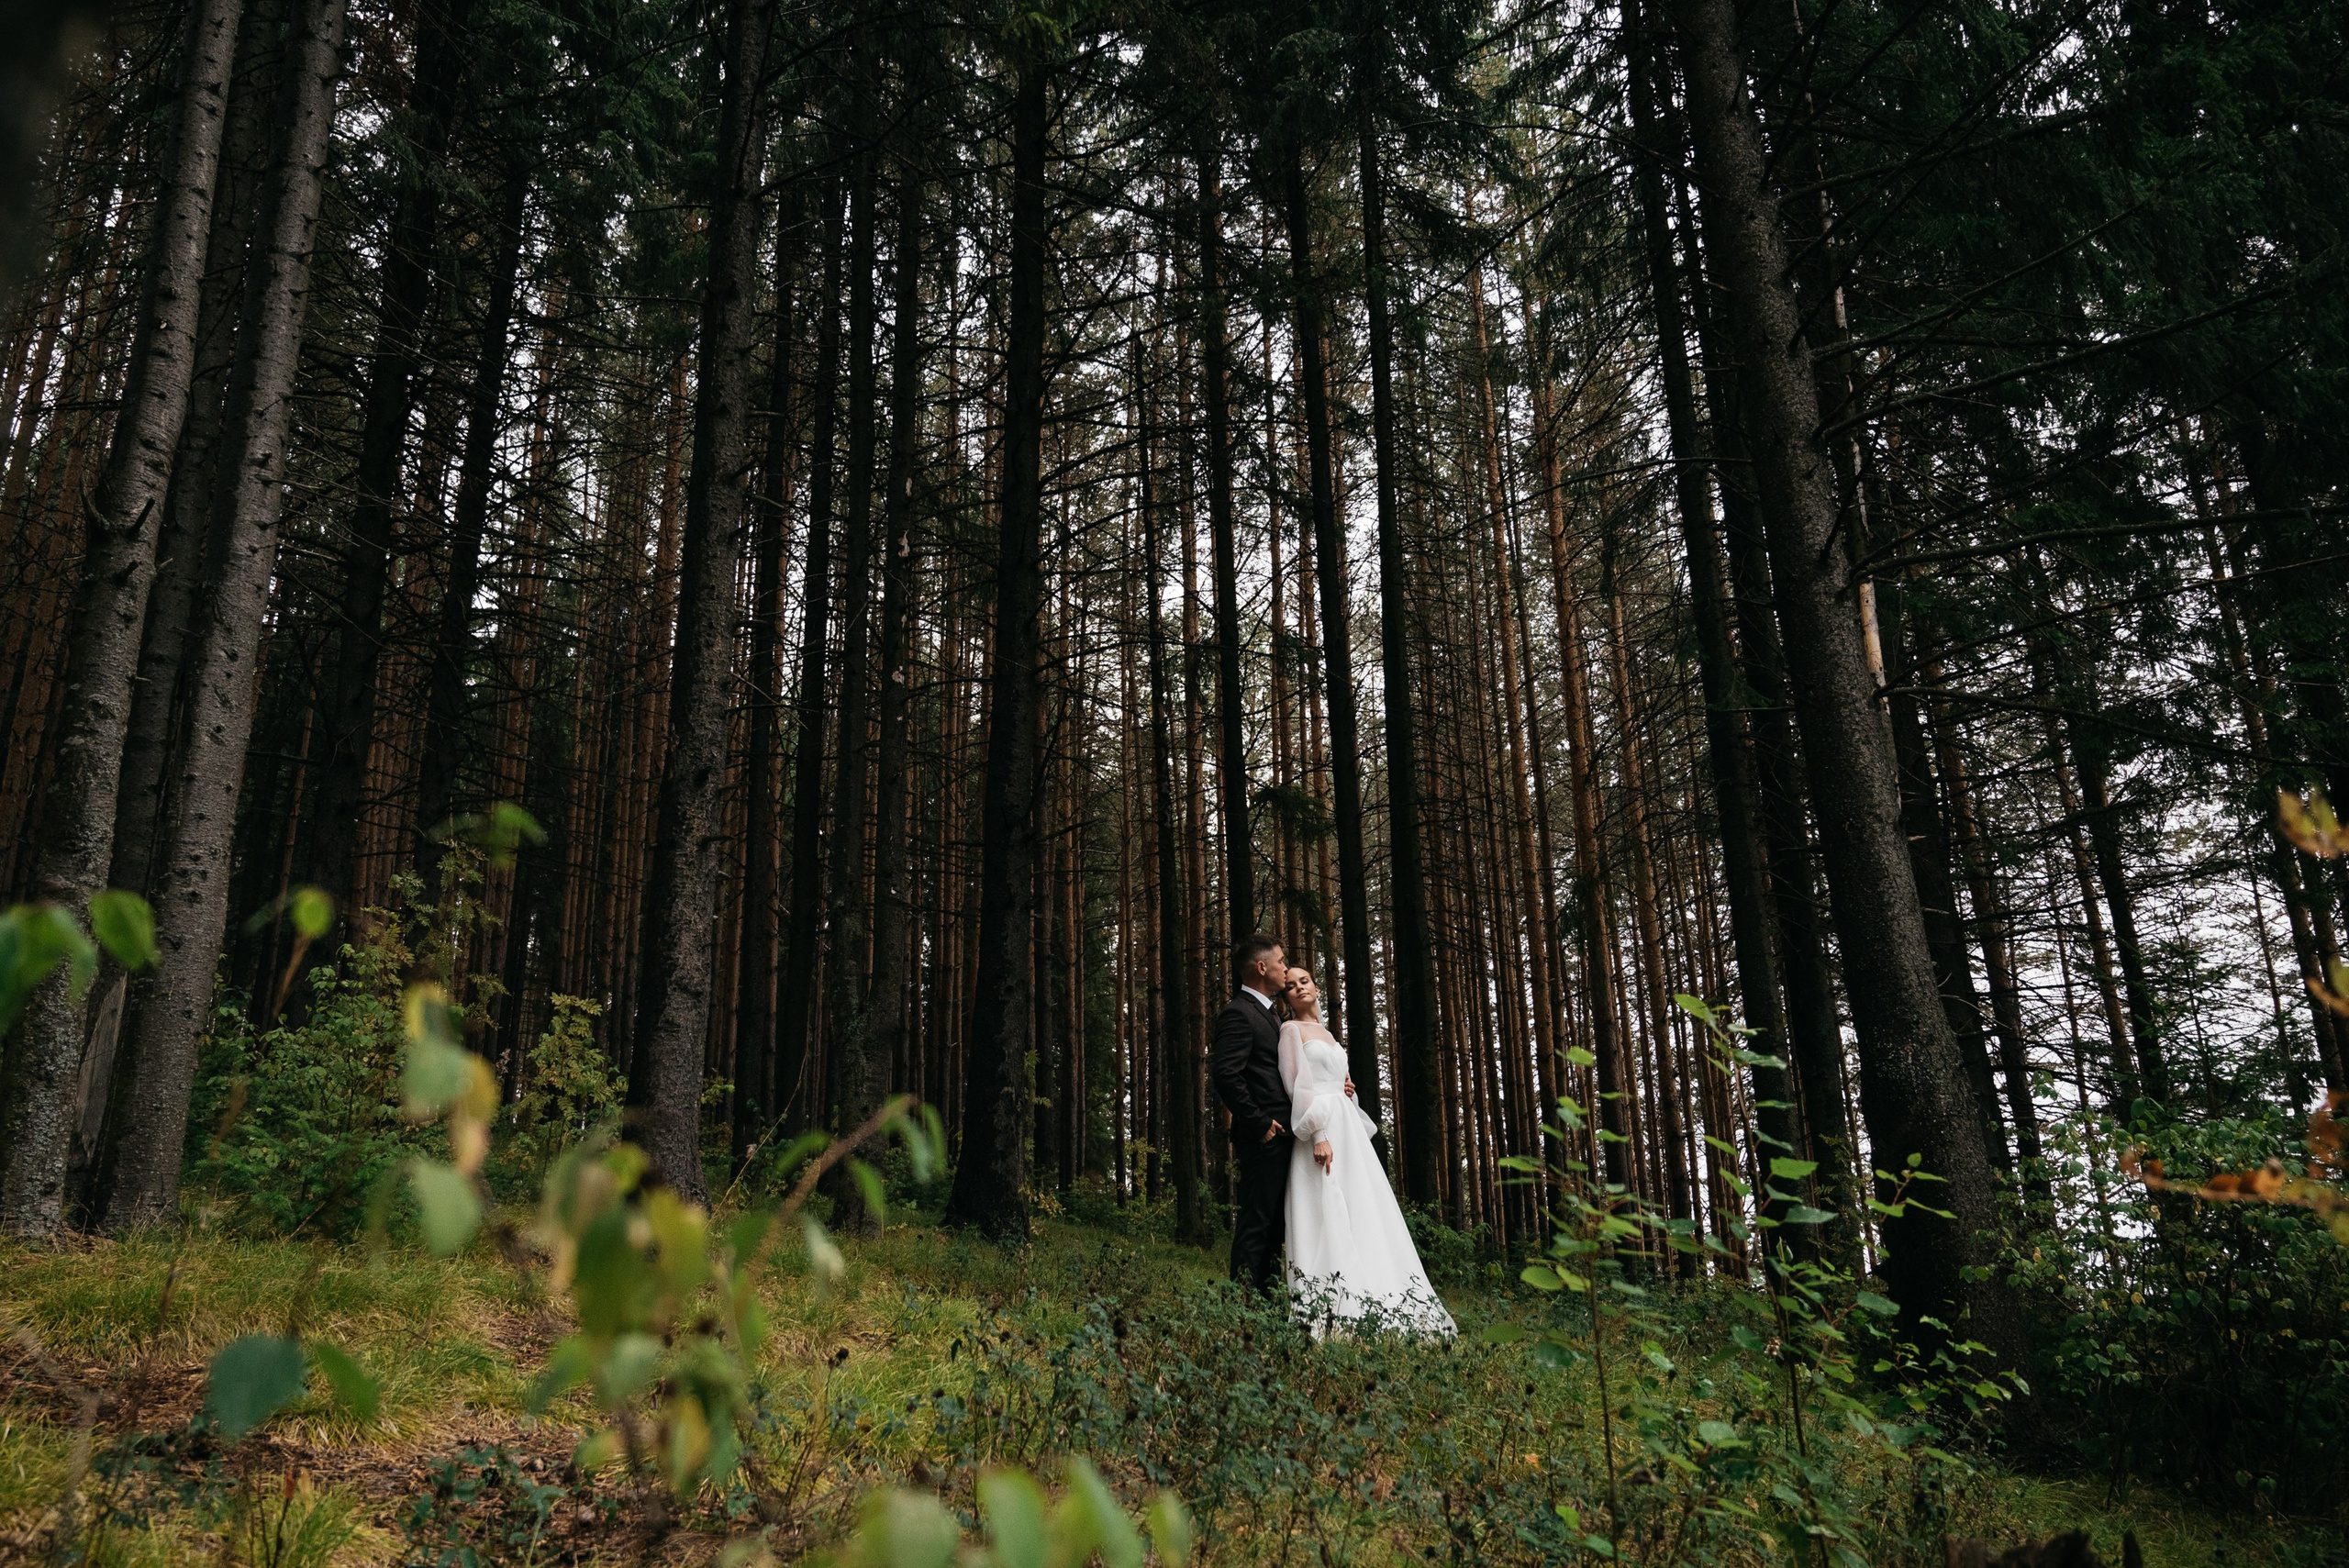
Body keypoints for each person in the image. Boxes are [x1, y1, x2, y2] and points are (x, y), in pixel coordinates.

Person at [1277, 966, 1455, 1338]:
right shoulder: (1290, 1031)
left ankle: (1373, 1294)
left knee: (1362, 1206)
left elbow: (1337, 1084)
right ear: (1286, 997)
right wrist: (1318, 1135)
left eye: (1304, 981)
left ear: (1315, 985)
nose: (1298, 988)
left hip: (1346, 1129)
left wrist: (1349, 1091)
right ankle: (1329, 1307)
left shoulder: (1326, 1033)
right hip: (1320, 1130)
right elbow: (1299, 1088)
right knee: (1324, 1209)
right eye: (1290, 986)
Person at [1209, 931, 1293, 1291]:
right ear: (1262, 967)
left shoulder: (1271, 1014)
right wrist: (1260, 1122)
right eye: (1281, 962)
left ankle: (1269, 1307)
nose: (1285, 969)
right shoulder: (1239, 1014)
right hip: (1264, 1138)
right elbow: (1226, 1074)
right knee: (1256, 1223)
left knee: (1276, 1225)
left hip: (1283, 1134)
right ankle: (1242, 1308)